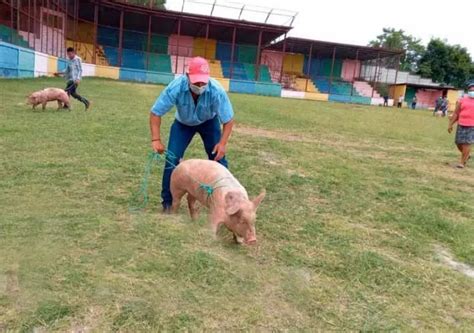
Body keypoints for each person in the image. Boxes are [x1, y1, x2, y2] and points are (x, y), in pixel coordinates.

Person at [149, 57, 235, 213]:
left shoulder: (216, 91)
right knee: (172, 159)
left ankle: (228, 203)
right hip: (183, 124)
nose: (200, 86)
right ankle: (168, 203)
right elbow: (155, 113)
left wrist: (222, 143)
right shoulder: (175, 88)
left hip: (209, 122)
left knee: (219, 158)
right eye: (196, 82)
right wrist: (156, 139)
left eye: (203, 82)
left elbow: (228, 120)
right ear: (187, 76)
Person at [448, 82, 474, 168]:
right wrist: (450, 124)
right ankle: (466, 155)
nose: (472, 91)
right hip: (461, 124)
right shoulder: (462, 100)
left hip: (472, 126)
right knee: (458, 142)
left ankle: (462, 163)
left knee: (467, 143)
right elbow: (456, 113)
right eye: (470, 90)